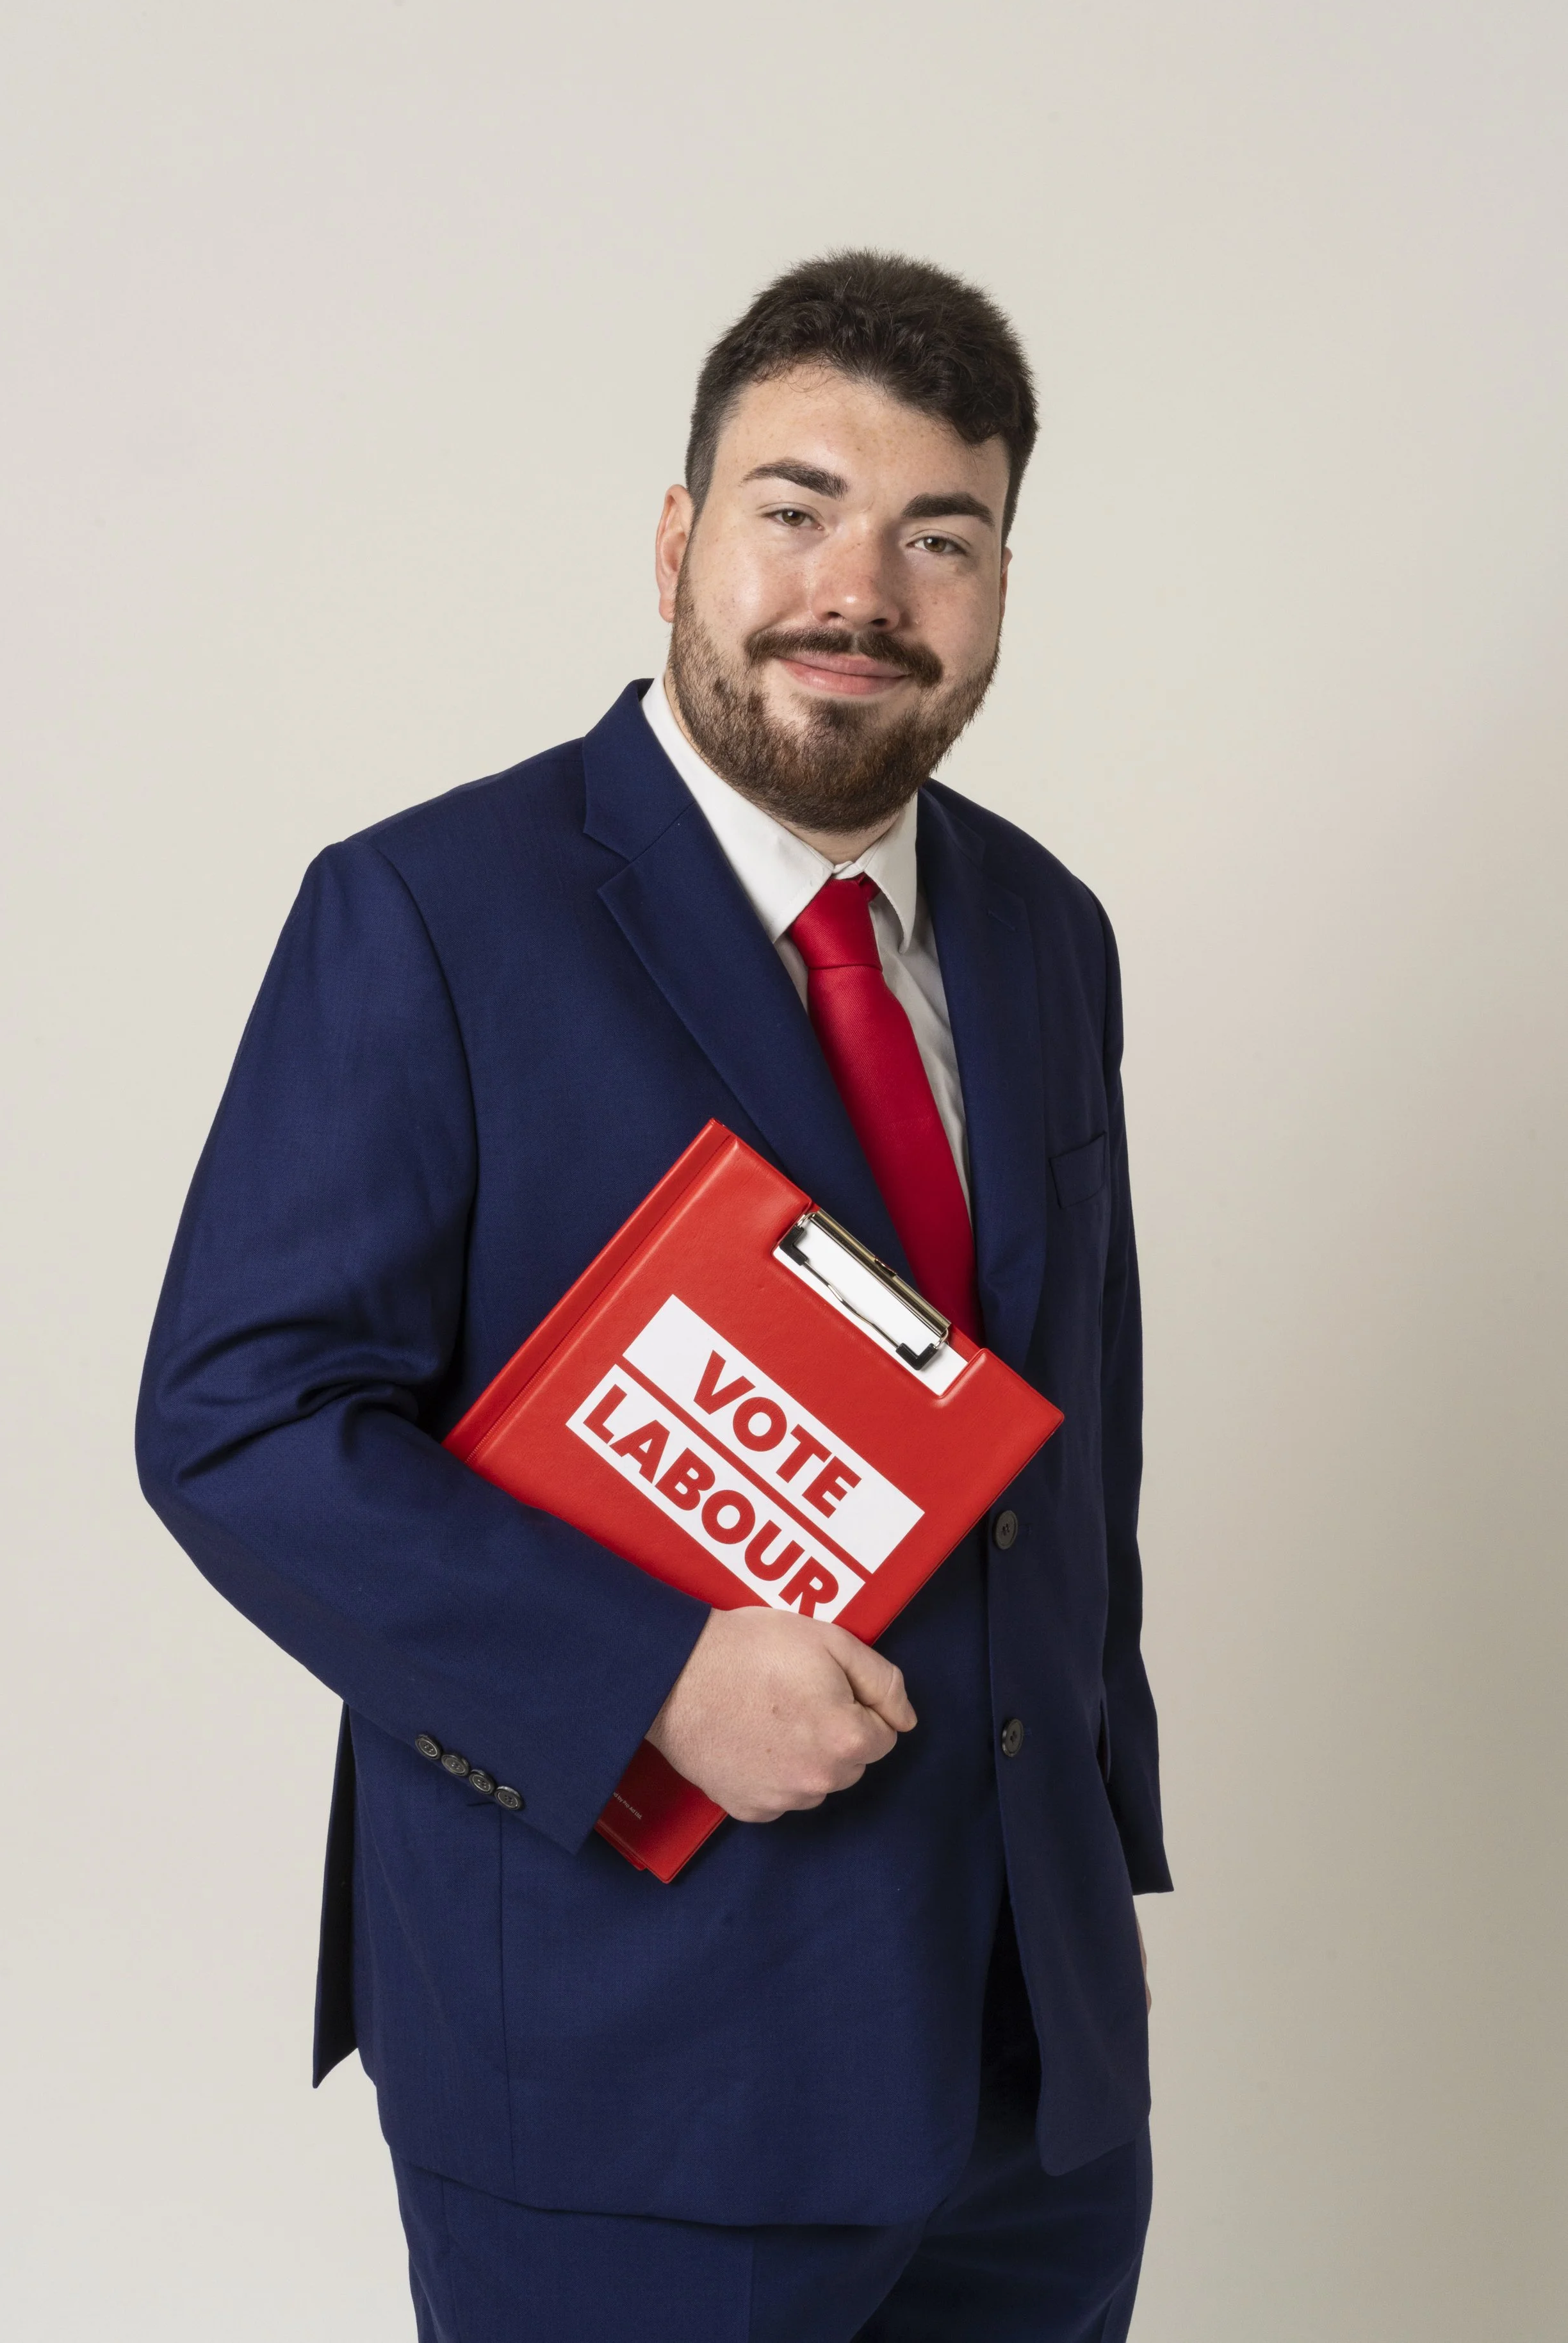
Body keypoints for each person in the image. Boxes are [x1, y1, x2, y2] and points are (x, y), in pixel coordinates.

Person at [137, 249, 1170, 2342]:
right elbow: (238, 1417)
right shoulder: (429, 914)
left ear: (995, 583)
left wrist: (1088, 1862)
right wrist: (650, 1676)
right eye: (795, 510)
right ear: (682, 540)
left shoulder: (1045, 931)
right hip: (632, 2076)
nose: (858, 587)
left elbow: (1076, 1425)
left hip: (1026, 2077)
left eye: (936, 536)